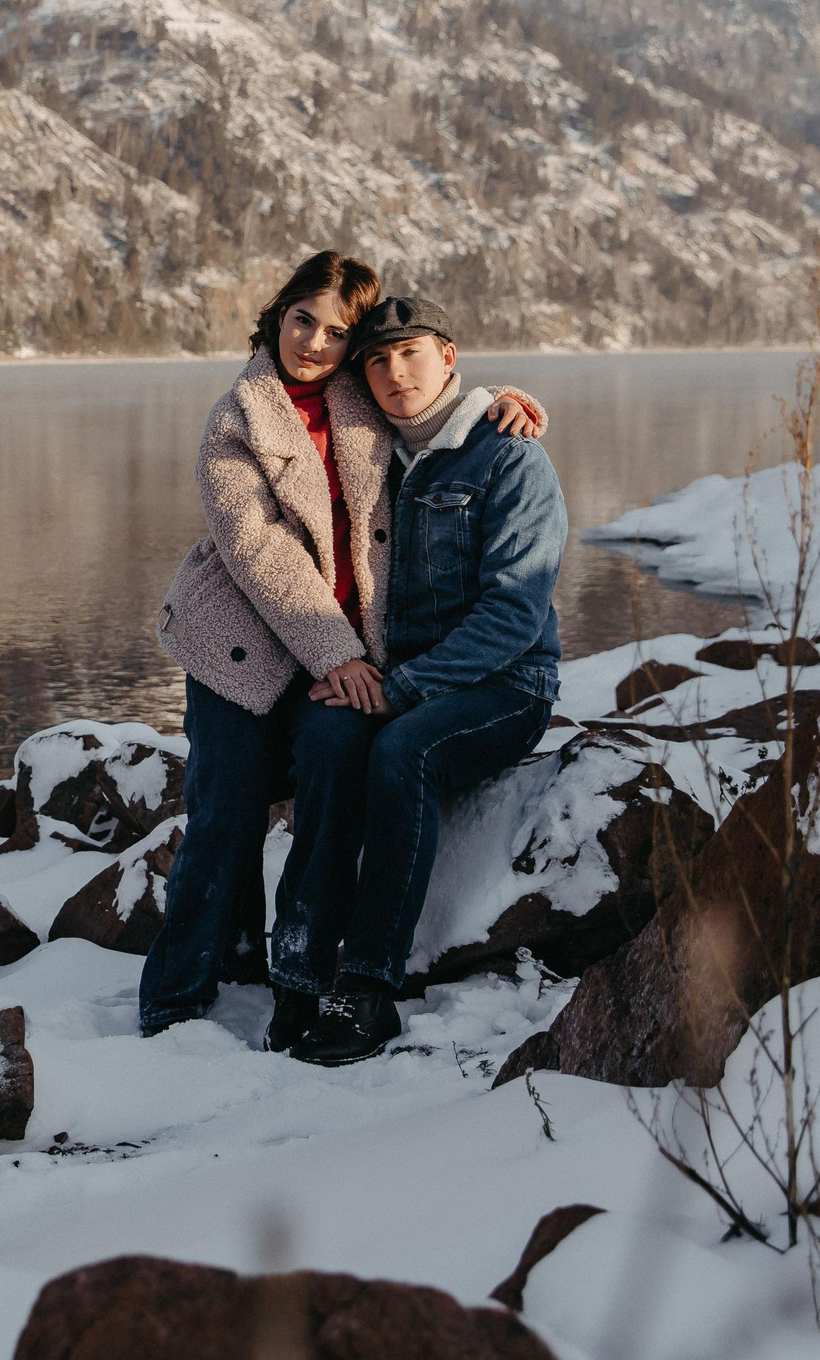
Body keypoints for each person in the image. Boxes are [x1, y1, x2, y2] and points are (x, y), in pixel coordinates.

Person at [142, 255, 544, 1043]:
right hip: (244, 640)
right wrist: (340, 656)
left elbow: (434, 402)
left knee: (335, 771)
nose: (315, 343)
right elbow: (262, 553)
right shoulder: (237, 417)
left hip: (342, 654)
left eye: (336, 332)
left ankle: (298, 973)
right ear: (277, 316)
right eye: (302, 320)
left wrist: (506, 405)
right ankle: (175, 992)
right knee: (224, 809)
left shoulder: (361, 397)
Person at [281, 294, 568, 1066]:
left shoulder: (509, 454)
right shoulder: (373, 452)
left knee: (401, 749)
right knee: (329, 738)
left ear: (449, 357)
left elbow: (514, 615)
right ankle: (298, 972)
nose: (393, 371)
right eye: (376, 359)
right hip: (401, 674)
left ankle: (368, 986)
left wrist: (404, 689)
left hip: (506, 684)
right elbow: (287, 393)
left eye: (410, 353)